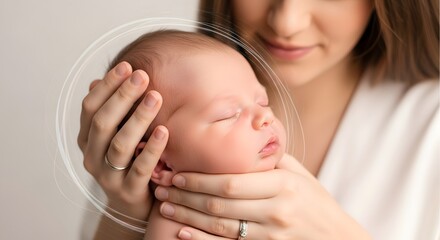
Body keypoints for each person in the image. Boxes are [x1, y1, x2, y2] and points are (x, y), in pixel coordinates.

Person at [78, 0, 439, 239]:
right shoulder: (166, 112)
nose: (286, 20)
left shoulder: (428, 124)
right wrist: (124, 210)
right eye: (228, 114)